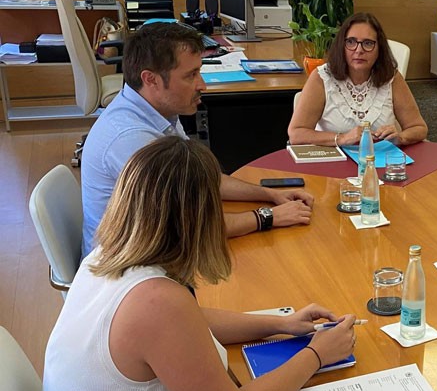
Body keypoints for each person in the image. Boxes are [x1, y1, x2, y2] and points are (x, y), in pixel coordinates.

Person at [41, 136, 356, 391]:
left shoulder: (106, 256)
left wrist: (279, 323)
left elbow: (187, 325)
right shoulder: (156, 301)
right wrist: (317, 355)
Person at [81, 22, 313, 258]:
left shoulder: (160, 110)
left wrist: (270, 195)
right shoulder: (132, 139)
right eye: (191, 75)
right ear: (151, 79)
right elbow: (191, 226)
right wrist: (267, 216)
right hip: (128, 265)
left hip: (155, 245)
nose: (202, 85)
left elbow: (201, 179)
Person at [288, 12, 428, 147]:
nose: (358, 50)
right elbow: (296, 134)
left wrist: (401, 137)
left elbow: (418, 127)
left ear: (379, 48)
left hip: (379, 163)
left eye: (368, 43)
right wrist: (342, 138)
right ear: (341, 46)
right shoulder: (322, 77)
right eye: (351, 42)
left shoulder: (391, 78)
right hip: (333, 164)